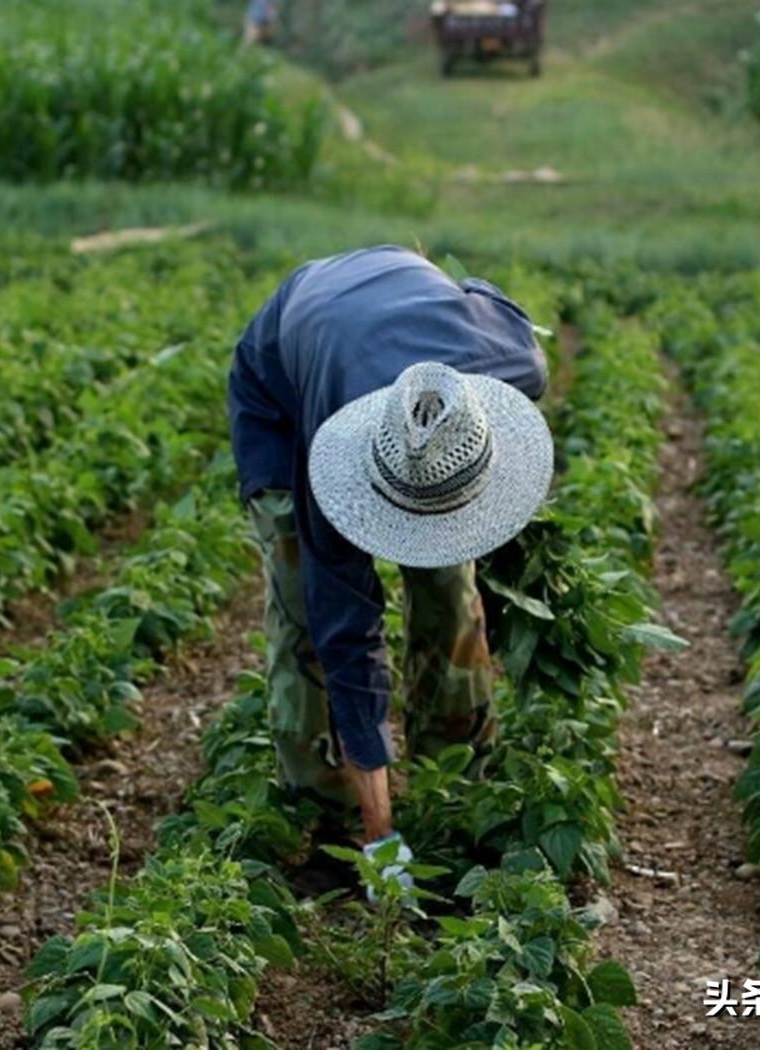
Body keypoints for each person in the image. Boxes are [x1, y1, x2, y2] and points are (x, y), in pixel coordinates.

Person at [228, 245, 553, 891]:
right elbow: (346, 631)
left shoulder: (514, 361)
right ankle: (331, 822)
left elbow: (490, 298)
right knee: (304, 618)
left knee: (451, 592)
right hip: (285, 396)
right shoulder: (328, 453)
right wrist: (382, 836)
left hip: (391, 289)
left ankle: (455, 792)